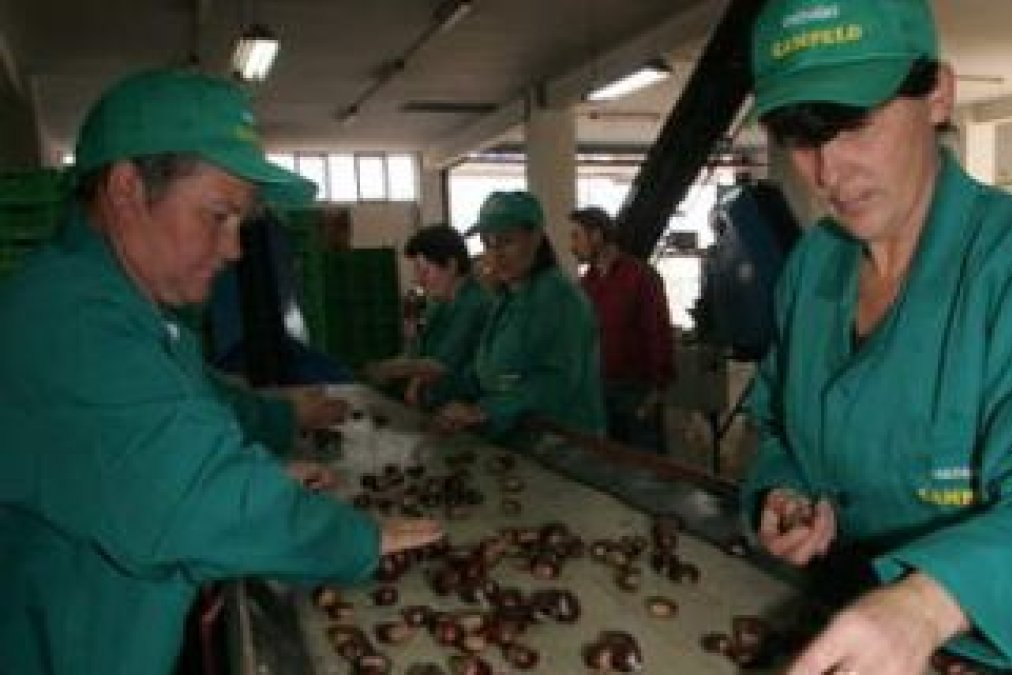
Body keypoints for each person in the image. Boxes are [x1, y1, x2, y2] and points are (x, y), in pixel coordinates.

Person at [740, 1, 1012, 673]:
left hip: (1008, 644)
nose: (829, 172)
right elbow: (779, 423)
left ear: (937, 94)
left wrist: (928, 603)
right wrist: (783, 492)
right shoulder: (814, 266)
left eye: (854, 125)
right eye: (800, 137)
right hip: (853, 623)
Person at [0, 69, 443, 675]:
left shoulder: (131, 310)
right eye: (217, 215)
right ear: (128, 189)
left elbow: (179, 419)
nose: (234, 250)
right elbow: (188, 500)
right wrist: (354, 540)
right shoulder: (68, 319)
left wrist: (265, 451)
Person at [433, 190, 605, 444]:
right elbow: (495, 370)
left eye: (506, 242)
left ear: (536, 237)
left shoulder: (559, 299)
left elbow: (558, 382)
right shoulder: (508, 296)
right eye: (487, 244)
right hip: (522, 439)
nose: (494, 256)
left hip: (565, 444)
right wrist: (446, 386)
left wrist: (484, 411)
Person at [569, 206, 675, 452]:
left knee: (646, 469)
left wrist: (658, 389)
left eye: (576, 236)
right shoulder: (585, 285)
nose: (572, 246)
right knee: (608, 465)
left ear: (596, 235)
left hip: (637, 391)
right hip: (598, 390)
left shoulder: (641, 277)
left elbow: (658, 332)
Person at [364, 224, 493, 409]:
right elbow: (417, 353)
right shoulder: (440, 305)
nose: (418, 280)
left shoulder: (475, 305)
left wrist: (389, 370)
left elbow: (440, 365)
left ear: (451, 265)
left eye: (424, 271)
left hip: (468, 410)